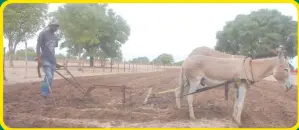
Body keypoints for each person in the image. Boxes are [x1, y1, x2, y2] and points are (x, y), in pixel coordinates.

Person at [36, 19, 59, 100]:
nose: (56, 28)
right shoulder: (43, 33)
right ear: (50, 25)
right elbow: (38, 46)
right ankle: (44, 93)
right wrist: (39, 58)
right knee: (48, 76)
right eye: (54, 26)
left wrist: (56, 62)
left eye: (57, 26)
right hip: (44, 58)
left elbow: (53, 49)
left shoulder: (56, 37)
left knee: (51, 77)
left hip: (52, 59)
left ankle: (46, 92)